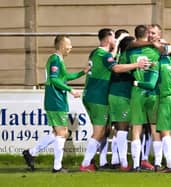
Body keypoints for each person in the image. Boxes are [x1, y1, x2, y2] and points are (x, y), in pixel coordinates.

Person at [79, 28, 148, 172]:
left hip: (91, 94)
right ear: (108, 38)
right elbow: (115, 67)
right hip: (99, 96)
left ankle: (97, 162)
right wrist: (137, 65)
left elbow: (110, 59)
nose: (115, 40)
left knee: (104, 130)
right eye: (113, 37)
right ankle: (86, 164)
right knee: (101, 131)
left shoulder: (96, 52)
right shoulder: (106, 55)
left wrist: (116, 47)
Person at [22, 35, 89, 173]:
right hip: (55, 100)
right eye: (69, 44)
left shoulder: (59, 60)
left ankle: (31, 152)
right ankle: (57, 167)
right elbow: (54, 80)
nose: (71, 47)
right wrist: (70, 90)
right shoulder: (55, 59)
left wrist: (82, 72)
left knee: (58, 132)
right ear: (61, 45)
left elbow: (64, 78)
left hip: (57, 100)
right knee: (62, 133)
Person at [134, 51, 171, 173]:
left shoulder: (159, 62)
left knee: (165, 133)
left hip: (165, 100)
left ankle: (169, 166)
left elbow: (151, 84)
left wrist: (136, 82)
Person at [127, 25, 160, 171]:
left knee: (136, 129)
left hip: (136, 92)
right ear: (147, 34)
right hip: (152, 92)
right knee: (155, 128)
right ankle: (158, 163)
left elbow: (124, 65)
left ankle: (135, 165)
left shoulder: (130, 51)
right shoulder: (155, 50)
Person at [108, 36, 135, 171]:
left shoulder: (119, 56)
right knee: (123, 129)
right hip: (121, 96)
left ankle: (117, 160)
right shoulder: (127, 57)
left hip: (115, 95)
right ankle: (123, 163)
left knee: (119, 129)